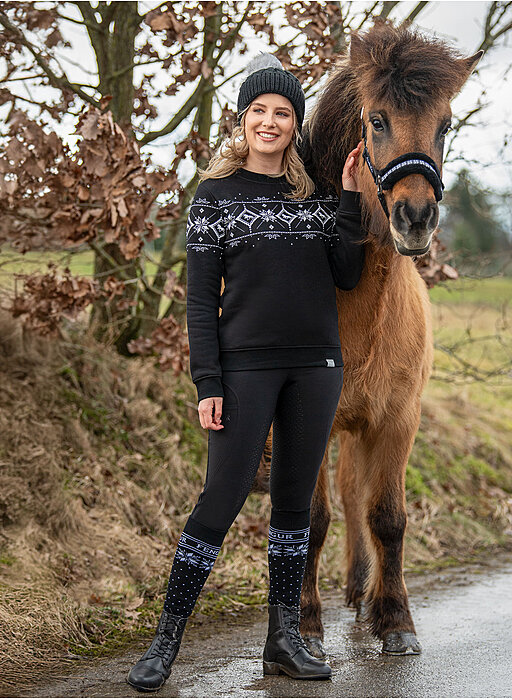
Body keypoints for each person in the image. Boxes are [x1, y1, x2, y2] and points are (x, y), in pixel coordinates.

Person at [127, 53, 365, 692]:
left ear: (295, 125)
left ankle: (282, 641)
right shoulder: (215, 198)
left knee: (293, 504)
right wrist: (208, 380)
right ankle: (165, 642)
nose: (270, 121)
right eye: (259, 110)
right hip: (243, 371)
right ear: (242, 120)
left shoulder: (313, 199)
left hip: (316, 369)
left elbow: (346, 273)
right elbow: (200, 297)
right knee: (221, 499)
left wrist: (345, 198)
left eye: (283, 113)